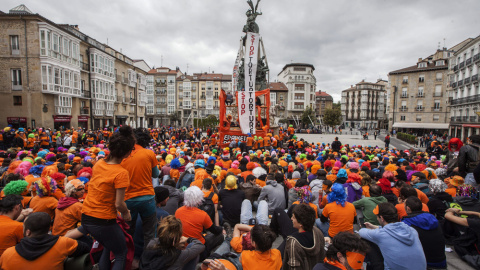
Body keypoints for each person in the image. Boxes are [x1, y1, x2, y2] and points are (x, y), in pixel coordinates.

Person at [81, 126, 135, 270]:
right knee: (121, 253)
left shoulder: (99, 163)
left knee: (108, 247)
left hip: (86, 216)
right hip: (103, 220)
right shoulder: (121, 173)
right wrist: (126, 213)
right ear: (127, 153)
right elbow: (119, 203)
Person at [0, 212, 89, 270]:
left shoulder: (7, 254)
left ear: (28, 232)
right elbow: (85, 248)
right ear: (47, 229)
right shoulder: (63, 243)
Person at [121, 128, 159, 248]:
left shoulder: (122, 154)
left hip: (127, 199)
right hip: (147, 198)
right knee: (150, 234)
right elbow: (156, 174)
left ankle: (127, 259)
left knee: (127, 232)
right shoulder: (149, 153)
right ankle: (148, 261)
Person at [359, 202, 426, 270]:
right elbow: (392, 230)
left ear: (381, 218)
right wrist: (376, 227)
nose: (377, 219)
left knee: (367, 241)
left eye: (377, 217)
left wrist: (365, 227)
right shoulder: (412, 230)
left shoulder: (380, 235)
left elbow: (362, 232)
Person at [140, 215, 205, 270]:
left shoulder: (152, 243)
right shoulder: (180, 255)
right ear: (177, 238)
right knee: (192, 248)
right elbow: (200, 246)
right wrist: (188, 239)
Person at [175, 186, 223, 258]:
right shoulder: (202, 214)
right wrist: (221, 229)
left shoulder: (178, 211)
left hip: (181, 247)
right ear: (199, 199)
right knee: (220, 236)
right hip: (198, 251)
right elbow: (215, 230)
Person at [402, 196, 447, 269]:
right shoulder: (433, 219)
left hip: (423, 263)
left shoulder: (407, 223)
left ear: (408, 208)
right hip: (441, 261)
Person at [283, 204, 325, 270]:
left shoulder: (293, 243)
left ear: (300, 223)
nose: (291, 219)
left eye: (293, 217)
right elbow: (322, 256)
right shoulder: (317, 232)